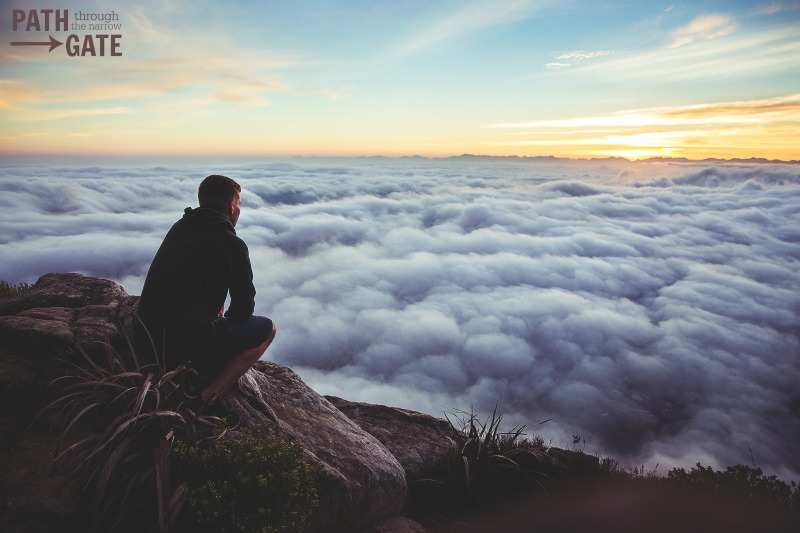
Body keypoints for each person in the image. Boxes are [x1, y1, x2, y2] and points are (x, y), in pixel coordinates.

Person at [137, 174, 275, 405]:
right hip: (184, 348)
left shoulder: (180, 227)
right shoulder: (231, 244)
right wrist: (223, 322)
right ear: (232, 207)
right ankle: (203, 398)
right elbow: (243, 309)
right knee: (267, 329)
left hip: (146, 340)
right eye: (239, 205)